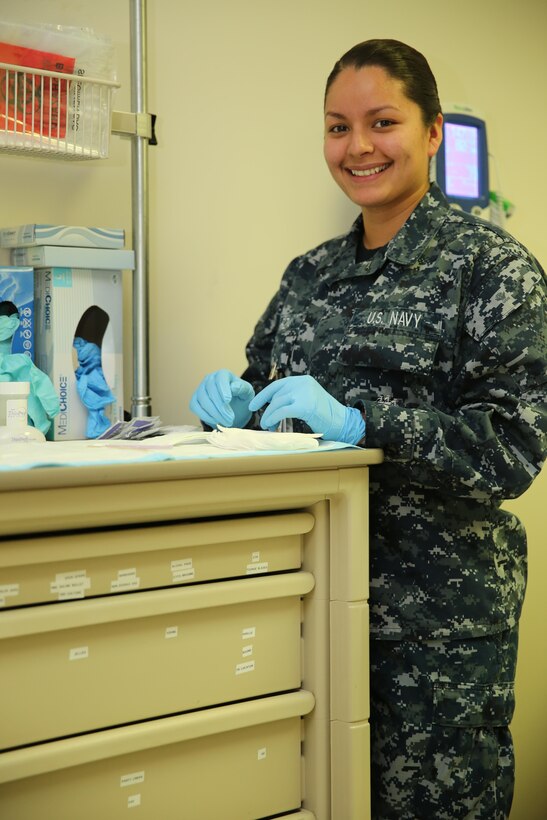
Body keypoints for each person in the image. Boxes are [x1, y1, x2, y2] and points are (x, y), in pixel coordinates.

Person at [190, 39, 547, 819]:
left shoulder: (491, 272)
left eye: (380, 122)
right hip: (303, 612)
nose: (355, 147)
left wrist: (362, 424)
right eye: (335, 126)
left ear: (431, 132)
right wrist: (233, 404)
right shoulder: (308, 275)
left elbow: (509, 452)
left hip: (433, 638)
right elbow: (263, 393)